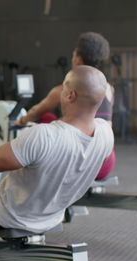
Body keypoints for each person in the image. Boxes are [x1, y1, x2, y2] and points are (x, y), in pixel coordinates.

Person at [0, 65, 114, 242]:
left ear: (71, 95)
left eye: (63, 88)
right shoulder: (105, 133)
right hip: (50, 216)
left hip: (7, 215)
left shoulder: (45, 135)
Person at [16, 32, 115, 180]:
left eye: (73, 54)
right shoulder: (109, 89)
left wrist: (21, 121)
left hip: (80, 163)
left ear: (78, 60)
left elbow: (36, 112)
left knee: (46, 117)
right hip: (106, 163)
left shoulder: (64, 91)